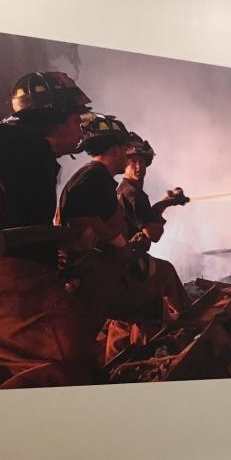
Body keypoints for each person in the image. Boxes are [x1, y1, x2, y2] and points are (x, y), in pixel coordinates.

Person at [0, 71, 99, 388]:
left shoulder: (28, 152)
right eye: (77, 116)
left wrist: (64, 241)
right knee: (68, 363)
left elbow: (15, 215)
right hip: (4, 280)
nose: (81, 125)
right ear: (56, 114)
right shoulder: (24, 141)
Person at [58, 114, 162, 342]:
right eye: (126, 149)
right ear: (115, 149)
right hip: (90, 272)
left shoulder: (97, 177)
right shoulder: (95, 176)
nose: (130, 158)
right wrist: (119, 243)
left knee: (136, 308)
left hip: (96, 270)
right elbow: (80, 219)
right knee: (148, 304)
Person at [116, 133, 190, 313]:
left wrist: (167, 202)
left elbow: (145, 217)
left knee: (125, 321)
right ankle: (188, 322)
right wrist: (158, 221)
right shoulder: (133, 194)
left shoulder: (124, 190)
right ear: (124, 163)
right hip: (130, 265)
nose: (139, 166)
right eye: (132, 161)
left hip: (118, 267)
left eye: (142, 161)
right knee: (167, 273)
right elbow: (153, 234)